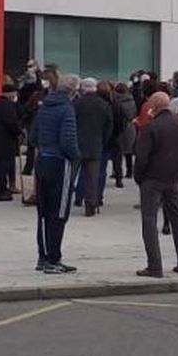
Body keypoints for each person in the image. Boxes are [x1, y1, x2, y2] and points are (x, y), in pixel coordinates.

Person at [135, 91, 178, 277]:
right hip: (173, 179)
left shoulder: (150, 127)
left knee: (149, 220)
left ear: (154, 107)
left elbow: (142, 158)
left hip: (152, 178)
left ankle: (155, 266)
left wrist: (139, 178)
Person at [33, 74, 82, 274]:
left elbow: (33, 135)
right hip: (60, 163)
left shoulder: (44, 107)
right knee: (59, 212)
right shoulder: (67, 109)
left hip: (42, 159)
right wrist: (76, 156)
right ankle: (54, 259)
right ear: (73, 91)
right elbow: (68, 140)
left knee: (43, 212)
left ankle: (43, 257)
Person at [70, 78, 111, 216]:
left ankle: (65, 201)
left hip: (76, 144)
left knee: (71, 176)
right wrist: (102, 141)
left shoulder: (76, 103)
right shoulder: (104, 105)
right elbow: (108, 127)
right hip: (95, 145)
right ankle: (90, 205)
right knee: (93, 178)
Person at [0, 84, 23, 201]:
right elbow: (12, 124)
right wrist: (19, 132)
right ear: (11, 94)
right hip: (4, 143)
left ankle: (0, 189)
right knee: (2, 168)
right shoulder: (8, 106)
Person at [110, 81, 136, 186]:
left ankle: (118, 175)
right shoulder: (132, 101)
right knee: (129, 151)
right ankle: (130, 171)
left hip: (119, 126)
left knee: (117, 154)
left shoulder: (115, 102)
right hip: (130, 126)